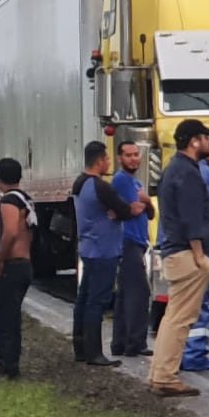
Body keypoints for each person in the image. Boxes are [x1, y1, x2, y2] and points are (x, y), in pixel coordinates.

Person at [149, 120, 209, 396]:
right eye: (205, 138)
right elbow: (191, 217)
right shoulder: (188, 173)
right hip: (188, 254)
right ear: (193, 141)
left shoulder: (173, 170)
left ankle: (159, 373)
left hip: (175, 253)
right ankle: (165, 377)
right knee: (181, 320)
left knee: (172, 318)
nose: (208, 144)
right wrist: (201, 255)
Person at [72, 141, 145, 367]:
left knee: (84, 298)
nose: (109, 163)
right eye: (107, 159)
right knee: (97, 301)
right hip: (103, 250)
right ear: (100, 161)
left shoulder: (79, 183)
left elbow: (116, 210)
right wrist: (131, 208)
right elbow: (125, 210)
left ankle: (80, 347)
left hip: (88, 247)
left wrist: (118, 211)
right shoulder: (100, 186)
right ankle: (95, 353)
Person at [0, 158, 37, 381]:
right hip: (24, 264)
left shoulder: (8, 201)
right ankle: (10, 362)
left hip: (12, 265)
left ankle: (8, 365)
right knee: (9, 315)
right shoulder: (26, 200)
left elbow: (10, 232)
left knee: (2, 316)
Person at [180, 137, 209, 372]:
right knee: (201, 303)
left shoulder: (194, 170)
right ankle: (195, 354)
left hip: (188, 246)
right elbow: (205, 214)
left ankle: (188, 352)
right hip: (198, 248)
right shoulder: (205, 173)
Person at [110, 141, 156, 358]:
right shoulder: (121, 180)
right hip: (127, 241)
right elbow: (133, 209)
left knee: (125, 294)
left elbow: (150, 213)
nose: (133, 159)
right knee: (138, 293)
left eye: (136, 154)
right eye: (128, 155)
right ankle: (135, 343)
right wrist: (144, 204)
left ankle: (120, 342)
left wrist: (146, 202)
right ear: (120, 158)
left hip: (137, 242)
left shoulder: (136, 183)